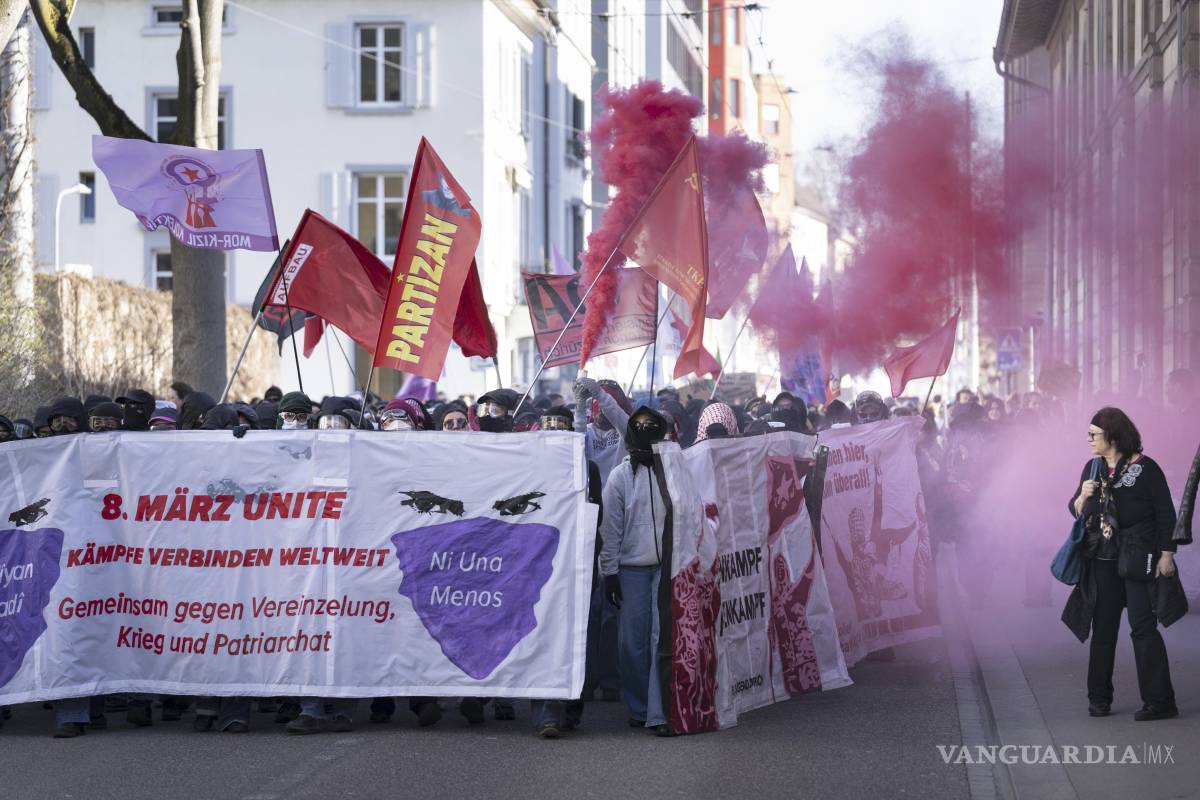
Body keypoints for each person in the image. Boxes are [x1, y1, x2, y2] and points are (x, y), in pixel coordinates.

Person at [1064, 407, 1179, 721]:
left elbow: (1167, 514)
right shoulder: (1092, 468)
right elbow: (1076, 512)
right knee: (1103, 630)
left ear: (1112, 436)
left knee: (1143, 627)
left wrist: (1167, 555)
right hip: (1102, 559)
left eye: (1093, 435)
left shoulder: (1146, 468)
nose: (1088, 440)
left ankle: (1160, 701)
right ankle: (1098, 698)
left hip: (1139, 556)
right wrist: (1080, 498)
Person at [599, 406, 672, 735]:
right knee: (632, 643)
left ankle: (661, 709)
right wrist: (609, 573)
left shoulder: (674, 470)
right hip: (631, 571)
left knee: (662, 638)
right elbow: (610, 531)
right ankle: (639, 706)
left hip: (668, 567)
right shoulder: (619, 477)